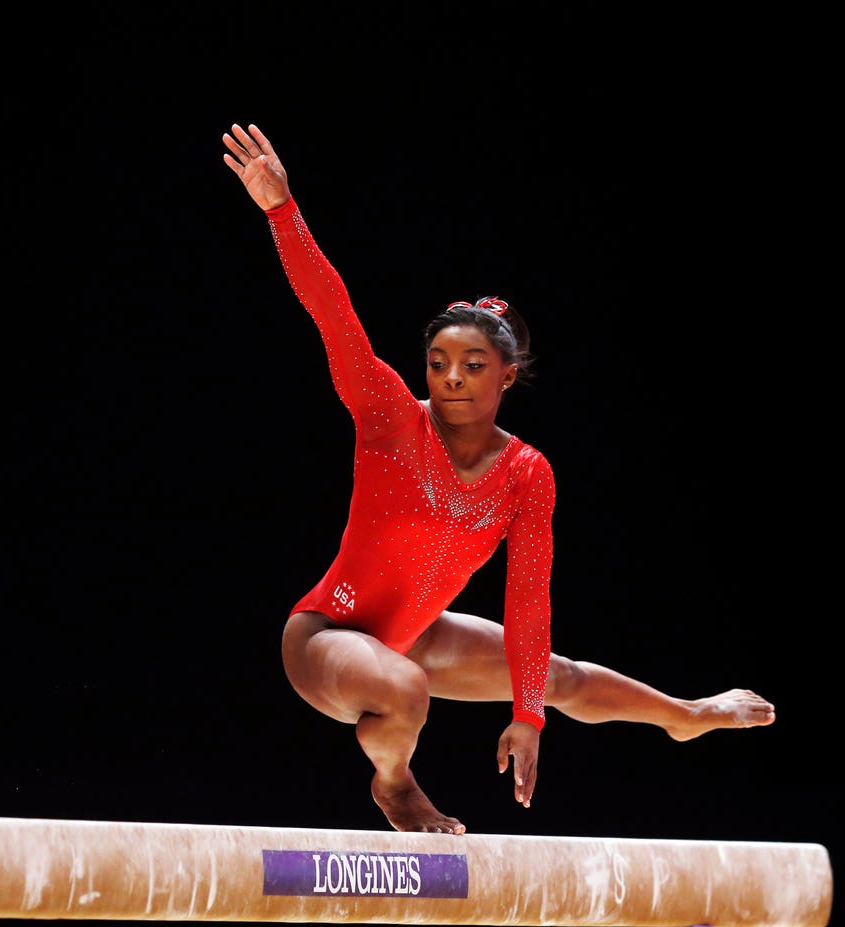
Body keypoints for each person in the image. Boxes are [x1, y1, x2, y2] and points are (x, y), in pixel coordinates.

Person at [221, 122, 775, 835]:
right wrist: (282, 212)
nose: (452, 376)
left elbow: (528, 600)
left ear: (507, 375)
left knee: (551, 672)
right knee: (403, 687)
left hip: (414, 634)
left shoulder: (526, 473)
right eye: (440, 360)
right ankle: (395, 782)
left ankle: (685, 716)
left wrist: (528, 716)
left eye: (474, 364)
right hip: (327, 635)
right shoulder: (390, 415)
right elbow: (334, 314)